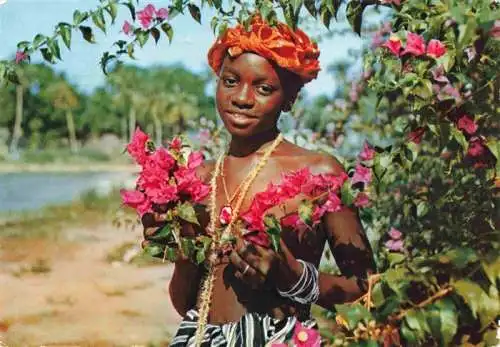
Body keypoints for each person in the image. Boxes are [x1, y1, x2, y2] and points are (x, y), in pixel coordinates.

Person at [141, 14, 376, 347]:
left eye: (264, 88)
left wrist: (291, 276)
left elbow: (367, 286)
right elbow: (186, 304)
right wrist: (184, 244)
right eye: (230, 81)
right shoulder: (197, 179)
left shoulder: (319, 173)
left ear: (290, 99)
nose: (242, 98)